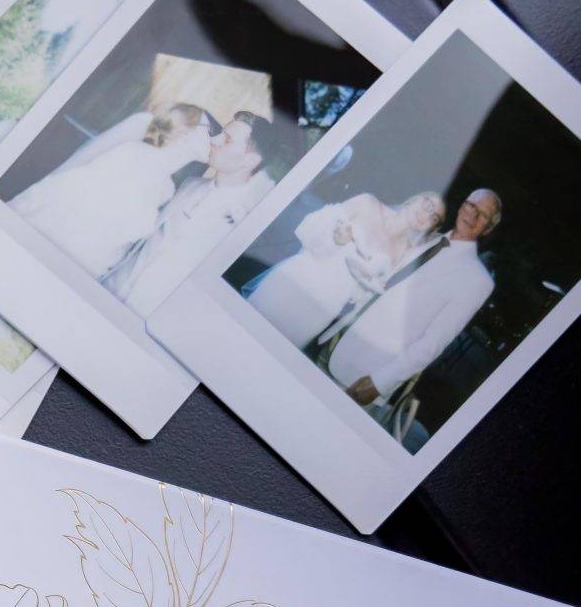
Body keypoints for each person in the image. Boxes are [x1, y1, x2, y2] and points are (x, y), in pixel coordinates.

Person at [327, 188, 502, 409]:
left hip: (367, 370)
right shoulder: (431, 239)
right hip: (341, 337)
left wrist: (380, 382)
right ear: (462, 205)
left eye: (483, 215)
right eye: (471, 205)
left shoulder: (477, 280)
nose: (473, 215)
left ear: (489, 227)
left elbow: (433, 343)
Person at [12, 100, 213, 281]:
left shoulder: (167, 189)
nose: (216, 138)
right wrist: (48, 185)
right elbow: (89, 153)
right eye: (208, 131)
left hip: (93, 249)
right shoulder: (140, 131)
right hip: (68, 217)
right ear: (186, 129)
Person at [245, 190, 443, 350]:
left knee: (276, 352)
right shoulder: (367, 203)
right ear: (416, 198)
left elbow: (363, 294)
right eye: (428, 205)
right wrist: (335, 239)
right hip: (298, 278)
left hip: (326, 305)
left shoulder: (402, 252)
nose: (426, 214)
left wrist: (364, 284)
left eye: (434, 217)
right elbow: (308, 228)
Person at [118, 115, 271, 317]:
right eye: (220, 134)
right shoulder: (190, 183)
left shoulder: (243, 222)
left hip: (151, 315)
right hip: (115, 288)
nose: (214, 140)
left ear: (251, 160)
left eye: (226, 140)